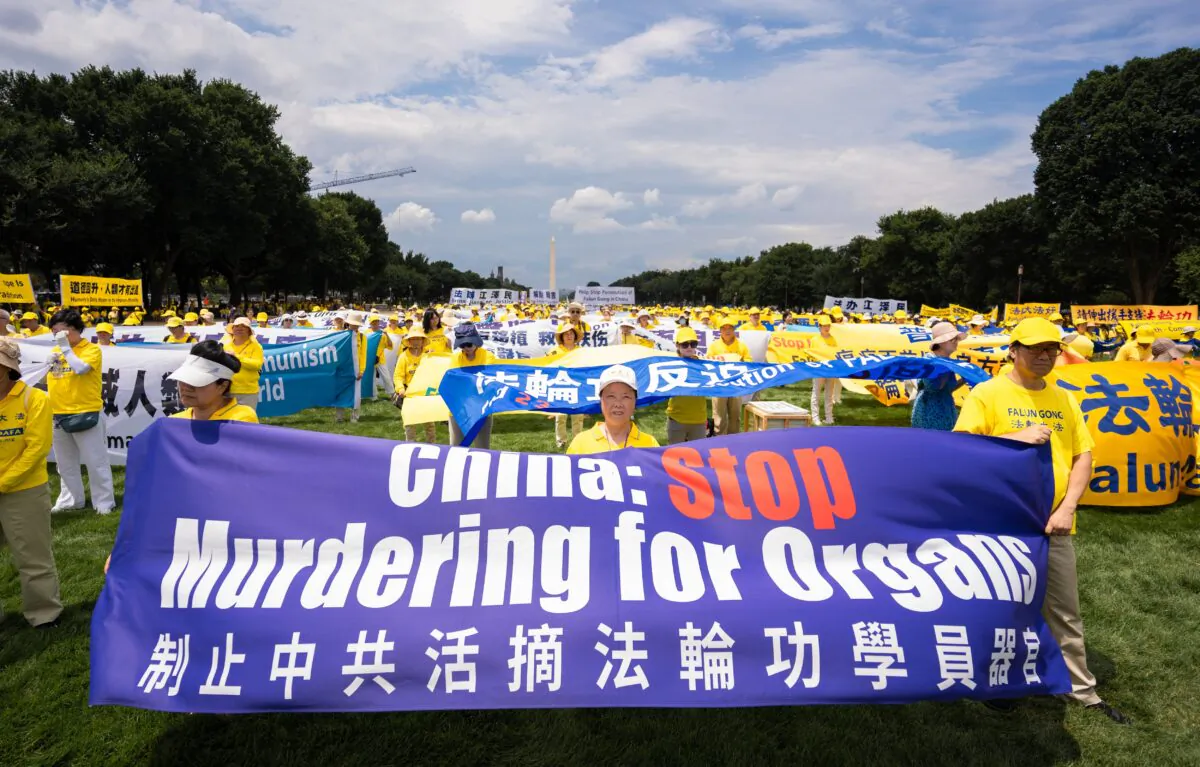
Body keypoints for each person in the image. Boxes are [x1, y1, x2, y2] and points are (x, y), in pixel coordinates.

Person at [954, 317, 1130, 725]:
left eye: (1051, 348)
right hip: (1000, 524)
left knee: (1064, 610)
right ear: (1013, 350)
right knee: (1002, 609)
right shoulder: (988, 393)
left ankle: (1081, 690)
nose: (1045, 356)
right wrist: (1014, 438)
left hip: (1053, 525)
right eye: (1035, 348)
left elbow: (1083, 455)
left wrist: (1068, 506)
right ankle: (998, 683)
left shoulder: (1065, 398)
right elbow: (961, 448)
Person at [0, 338, 64, 628]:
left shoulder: (35, 399)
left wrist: (3, 483)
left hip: (24, 491)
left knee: (33, 556)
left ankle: (44, 613)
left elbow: (36, 449)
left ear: (7, 369)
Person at [45, 308, 115, 514]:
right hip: (58, 414)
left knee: (96, 462)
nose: (57, 336)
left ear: (75, 329)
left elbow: (81, 369)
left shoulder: (91, 349)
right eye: (54, 332)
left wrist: (66, 349)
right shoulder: (55, 352)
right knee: (65, 464)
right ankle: (71, 500)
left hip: (86, 413)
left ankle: (103, 502)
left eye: (61, 331)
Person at [568, 364, 659, 454]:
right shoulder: (581, 443)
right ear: (601, 400)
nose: (618, 404)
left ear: (635, 401)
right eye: (611, 396)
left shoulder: (650, 445)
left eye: (626, 397)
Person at [168, 341, 260, 423]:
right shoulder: (174, 422)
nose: (186, 387)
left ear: (222, 386)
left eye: (197, 381)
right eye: (183, 378)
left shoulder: (241, 420)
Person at [911, 321, 966, 431]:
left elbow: (947, 389)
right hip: (929, 414)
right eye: (952, 339)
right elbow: (933, 388)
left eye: (957, 339)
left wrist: (964, 378)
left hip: (946, 409)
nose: (956, 342)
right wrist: (945, 368)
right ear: (940, 342)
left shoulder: (947, 362)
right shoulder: (929, 361)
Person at [447, 323, 496, 448]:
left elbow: (488, 380)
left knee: (483, 449)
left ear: (476, 342)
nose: (466, 348)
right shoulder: (455, 358)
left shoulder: (488, 356)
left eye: (469, 344)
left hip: (482, 409)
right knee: (457, 448)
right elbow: (454, 381)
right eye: (462, 345)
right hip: (459, 409)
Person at [392, 328, 438, 443]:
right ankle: (410, 445)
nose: (416, 341)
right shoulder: (404, 356)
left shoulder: (429, 355)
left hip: (425, 393)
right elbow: (398, 376)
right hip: (409, 394)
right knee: (409, 423)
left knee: (429, 423)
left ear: (423, 341)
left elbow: (434, 373)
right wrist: (400, 389)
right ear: (409, 341)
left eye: (419, 339)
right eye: (413, 339)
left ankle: (431, 445)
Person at [709, 315, 752, 434]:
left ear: (734, 330)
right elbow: (708, 362)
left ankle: (734, 440)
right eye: (724, 328)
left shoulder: (741, 346)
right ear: (720, 331)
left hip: (735, 385)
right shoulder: (714, 346)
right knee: (718, 416)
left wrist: (742, 363)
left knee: (735, 416)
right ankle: (719, 440)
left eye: (730, 328)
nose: (727, 330)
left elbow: (749, 362)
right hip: (719, 385)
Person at [546, 322, 586, 449]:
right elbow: (547, 367)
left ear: (575, 336)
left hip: (577, 386)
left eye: (571, 334)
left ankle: (577, 440)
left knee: (578, 416)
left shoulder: (581, 351)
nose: (569, 336)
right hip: (560, 386)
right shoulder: (554, 352)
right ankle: (561, 441)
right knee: (560, 416)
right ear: (562, 337)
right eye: (566, 334)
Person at [666, 327, 707, 444]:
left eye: (693, 344)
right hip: (676, 419)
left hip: (699, 420)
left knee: (698, 457)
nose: (689, 347)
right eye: (685, 344)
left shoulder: (704, 365)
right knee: (674, 455)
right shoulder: (670, 365)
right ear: (677, 346)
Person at [222, 317, 264, 412]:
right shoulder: (225, 346)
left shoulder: (256, 346)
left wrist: (236, 357)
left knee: (246, 422)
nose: (239, 328)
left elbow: (257, 365)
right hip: (227, 391)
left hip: (247, 392)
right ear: (232, 330)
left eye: (243, 326)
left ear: (249, 331)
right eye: (236, 326)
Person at [810, 315, 840, 426]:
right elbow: (812, 355)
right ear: (819, 326)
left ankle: (829, 417)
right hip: (819, 370)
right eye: (824, 326)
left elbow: (835, 354)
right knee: (816, 393)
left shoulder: (833, 339)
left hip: (830, 370)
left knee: (829, 395)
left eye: (828, 326)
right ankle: (815, 417)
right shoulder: (815, 340)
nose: (827, 328)